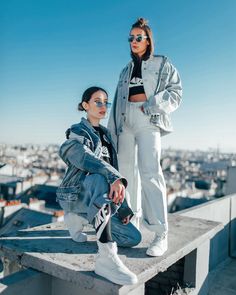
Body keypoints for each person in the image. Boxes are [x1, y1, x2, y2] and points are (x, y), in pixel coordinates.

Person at [108, 18, 182, 257]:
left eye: (138, 37)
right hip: (125, 122)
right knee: (127, 175)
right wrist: (112, 134)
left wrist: (152, 105)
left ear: (148, 40)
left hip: (148, 118)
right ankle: (131, 227)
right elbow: (116, 105)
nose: (133, 41)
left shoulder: (162, 63)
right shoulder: (124, 70)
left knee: (151, 173)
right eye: (130, 38)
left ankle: (161, 234)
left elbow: (176, 92)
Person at [56, 86, 141, 285]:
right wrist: (112, 176)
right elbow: (80, 156)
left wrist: (124, 208)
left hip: (97, 198)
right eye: (98, 101)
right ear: (85, 105)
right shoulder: (78, 132)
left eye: (106, 102)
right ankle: (106, 257)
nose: (103, 106)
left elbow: (114, 175)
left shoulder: (106, 136)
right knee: (101, 179)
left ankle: (80, 217)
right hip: (76, 193)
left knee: (132, 238)